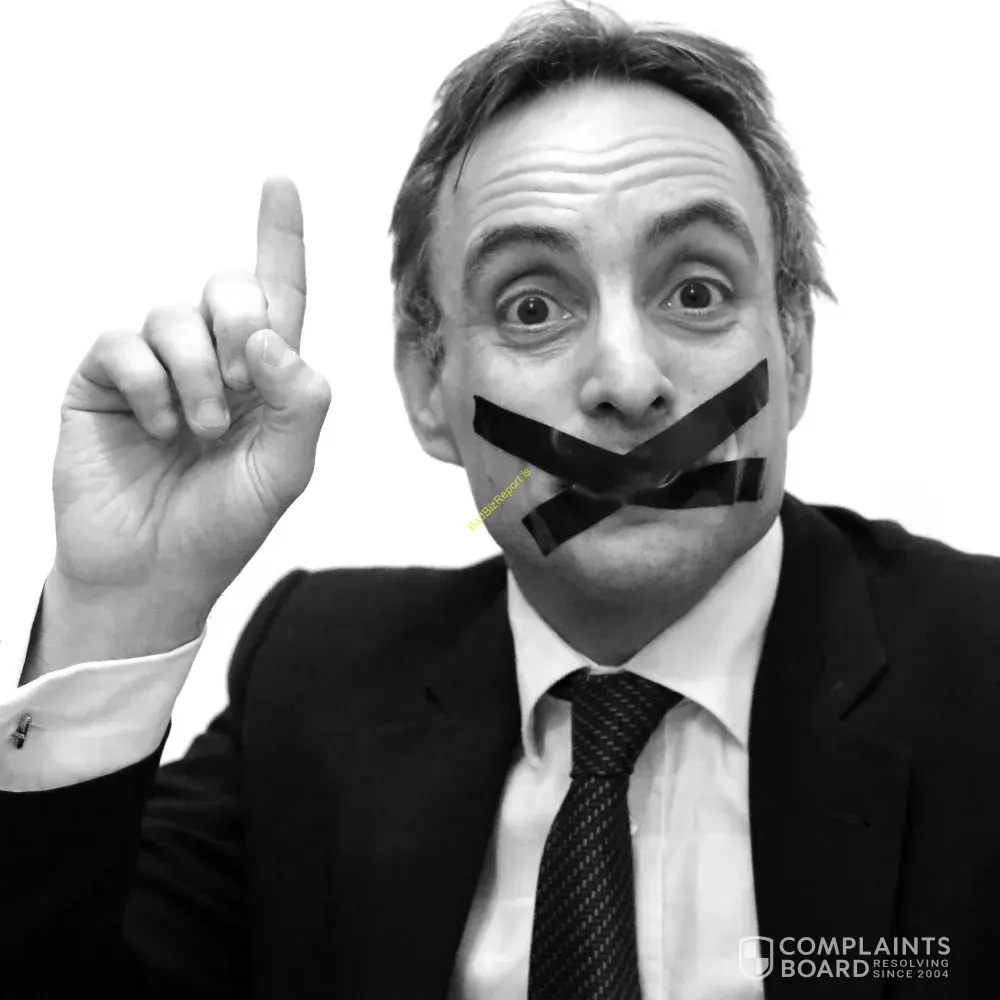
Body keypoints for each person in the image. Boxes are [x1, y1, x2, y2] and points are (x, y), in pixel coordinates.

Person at [1, 2, 996, 997]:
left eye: (696, 291)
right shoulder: (311, 684)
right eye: (532, 307)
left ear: (796, 353)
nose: (628, 382)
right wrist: (116, 607)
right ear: (427, 391)